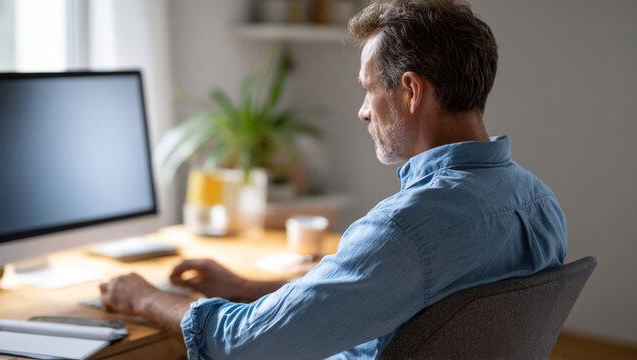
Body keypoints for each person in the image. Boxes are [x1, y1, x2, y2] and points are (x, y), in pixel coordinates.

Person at [99, 0, 567, 358]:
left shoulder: (407, 229)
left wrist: (145, 298)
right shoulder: (540, 203)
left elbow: (245, 345)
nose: (363, 111)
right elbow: (393, 298)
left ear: (409, 91)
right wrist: (248, 290)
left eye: (368, 88)